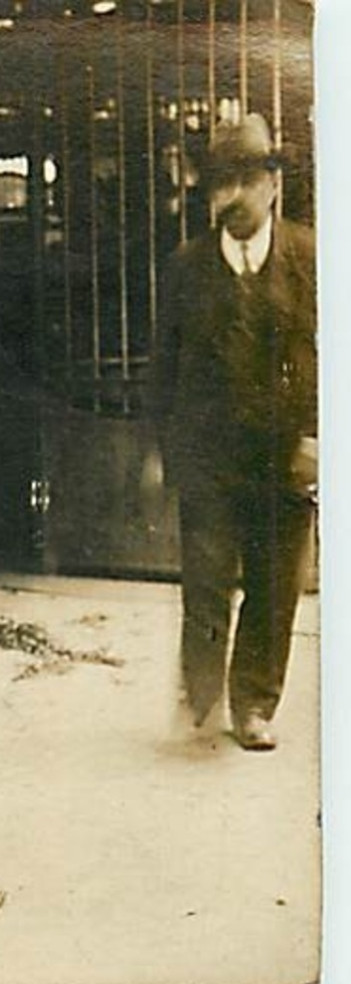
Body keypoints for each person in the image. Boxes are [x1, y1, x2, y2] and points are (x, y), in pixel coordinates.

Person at [152, 113, 317, 752]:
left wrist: (317, 437)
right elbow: (163, 367)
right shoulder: (187, 268)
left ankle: (253, 704)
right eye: (221, 182)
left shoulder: (311, 257)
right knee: (207, 579)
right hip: (210, 454)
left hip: (285, 452)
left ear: (274, 184)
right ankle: (198, 699)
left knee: (276, 586)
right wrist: (161, 451)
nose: (233, 196)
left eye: (247, 179)